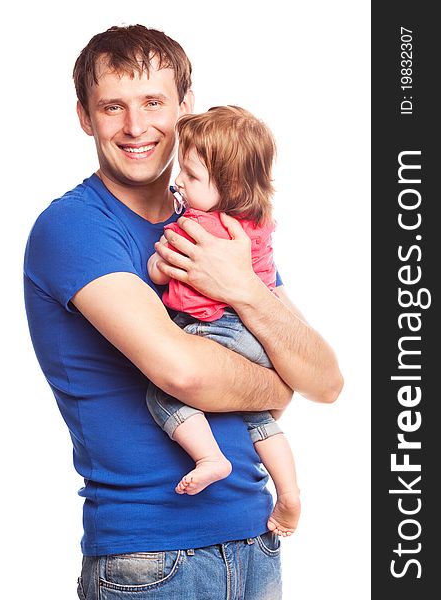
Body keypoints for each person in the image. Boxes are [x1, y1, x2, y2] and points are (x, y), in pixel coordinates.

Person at [24, 24, 343, 600]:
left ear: (185, 107)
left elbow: (325, 380)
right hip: (149, 559)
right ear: (84, 117)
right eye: (112, 107)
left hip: (257, 540)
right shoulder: (74, 227)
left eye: (153, 102)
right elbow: (184, 374)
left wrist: (241, 287)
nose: (136, 126)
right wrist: (275, 384)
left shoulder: (218, 229)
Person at [147, 105, 300, 537]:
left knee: (163, 395)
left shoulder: (195, 226)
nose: (179, 181)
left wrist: (158, 261)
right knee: (259, 419)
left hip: (213, 329)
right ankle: (288, 494)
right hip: (257, 337)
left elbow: (162, 270)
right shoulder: (258, 224)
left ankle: (210, 457)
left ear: (228, 185)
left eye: (191, 176)